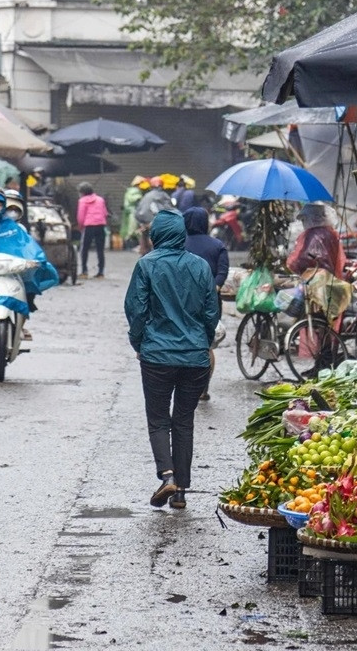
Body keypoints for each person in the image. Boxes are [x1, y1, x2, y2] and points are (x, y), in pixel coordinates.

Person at [124, 209, 220, 509]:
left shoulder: (146, 265)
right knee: (183, 421)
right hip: (195, 358)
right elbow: (211, 312)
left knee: (157, 419)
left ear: (155, 236)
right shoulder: (201, 266)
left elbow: (136, 311)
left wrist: (138, 342)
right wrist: (203, 341)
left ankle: (167, 476)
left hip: (157, 356)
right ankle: (180, 492)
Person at [0, 187, 59, 329]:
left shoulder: (12, 227)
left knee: (27, 292)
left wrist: (35, 259)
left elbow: (26, 245)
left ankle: (21, 326)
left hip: (11, 272)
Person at [183, 206, 228, 401]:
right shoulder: (217, 245)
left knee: (184, 341)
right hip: (211, 302)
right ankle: (202, 388)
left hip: (183, 301)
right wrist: (214, 288)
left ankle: (185, 385)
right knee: (206, 345)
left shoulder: (178, 243)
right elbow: (223, 271)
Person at [287, 203, 345, 279]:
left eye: (304, 219)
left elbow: (305, 259)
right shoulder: (330, 232)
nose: (303, 223)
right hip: (331, 278)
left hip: (315, 279)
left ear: (312, 217)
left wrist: (292, 264)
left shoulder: (312, 235)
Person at [76, 182, 109, 279]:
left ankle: (84, 271)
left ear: (82, 192)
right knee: (100, 250)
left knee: (84, 249)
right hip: (100, 225)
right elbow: (105, 213)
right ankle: (101, 272)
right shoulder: (100, 199)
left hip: (89, 226)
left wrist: (80, 227)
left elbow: (81, 216)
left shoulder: (82, 201)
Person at [134, 177, 173, 257]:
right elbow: (170, 209)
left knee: (145, 246)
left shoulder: (146, 196)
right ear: (161, 186)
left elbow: (138, 210)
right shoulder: (163, 195)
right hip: (157, 223)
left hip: (143, 222)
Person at [121, 175, 147, 248]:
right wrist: (138, 198)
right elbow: (133, 199)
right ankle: (130, 243)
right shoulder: (133, 191)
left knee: (134, 228)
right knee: (132, 228)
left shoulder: (133, 191)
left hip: (134, 212)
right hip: (132, 212)